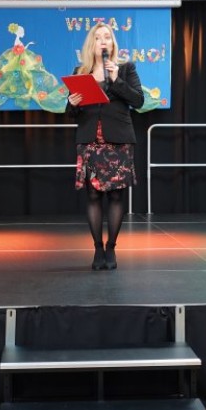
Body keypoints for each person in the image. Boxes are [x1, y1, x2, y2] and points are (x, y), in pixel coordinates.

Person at [66, 22, 145, 270]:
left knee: (116, 194)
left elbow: (139, 101)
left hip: (118, 140)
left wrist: (116, 80)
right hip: (90, 141)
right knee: (92, 195)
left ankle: (111, 247)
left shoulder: (125, 69)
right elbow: (71, 113)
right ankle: (97, 249)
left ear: (112, 43)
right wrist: (72, 103)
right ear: (92, 44)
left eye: (107, 37)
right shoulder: (81, 71)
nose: (103, 41)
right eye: (98, 37)